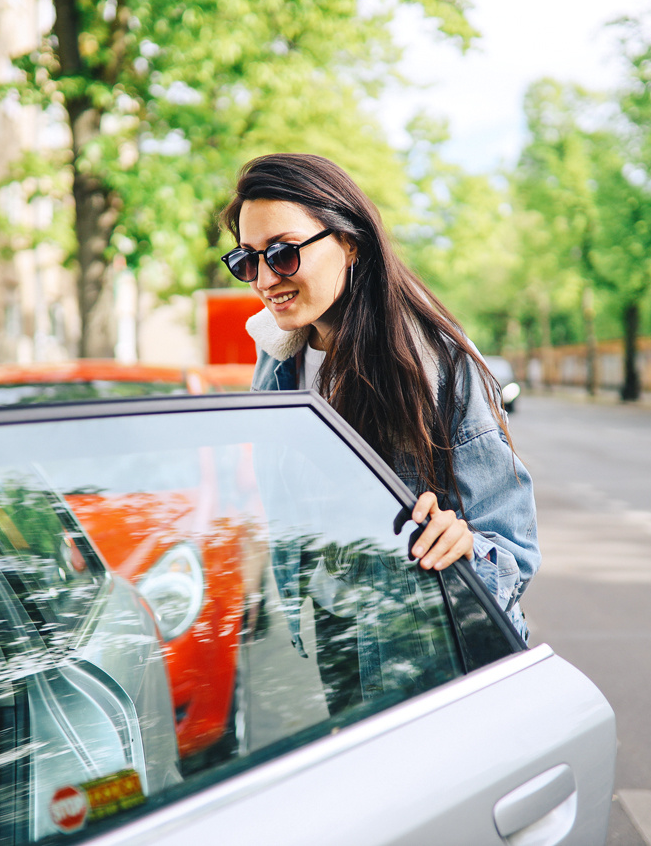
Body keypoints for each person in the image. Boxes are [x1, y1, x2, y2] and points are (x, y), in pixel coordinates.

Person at [218, 153, 539, 647]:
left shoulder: (438, 365)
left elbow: (514, 554)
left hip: (429, 646)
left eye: (283, 253)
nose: (263, 280)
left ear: (348, 243)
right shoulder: (275, 362)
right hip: (337, 641)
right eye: (247, 259)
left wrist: (464, 545)